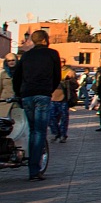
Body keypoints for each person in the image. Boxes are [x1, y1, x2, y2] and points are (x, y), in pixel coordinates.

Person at [12, 30, 62, 180]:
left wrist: (19, 93)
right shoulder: (52, 54)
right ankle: (34, 169)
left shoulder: (26, 56)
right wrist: (49, 90)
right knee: (39, 131)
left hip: (27, 95)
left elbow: (17, 77)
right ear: (46, 40)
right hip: (42, 95)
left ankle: (30, 164)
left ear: (33, 41)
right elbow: (57, 76)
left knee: (32, 129)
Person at [49, 66, 77, 143]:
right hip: (52, 98)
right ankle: (56, 133)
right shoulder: (51, 71)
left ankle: (63, 135)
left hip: (63, 99)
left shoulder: (69, 72)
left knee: (64, 118)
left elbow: (76, 85)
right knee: (51, 118)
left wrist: (69, 80)